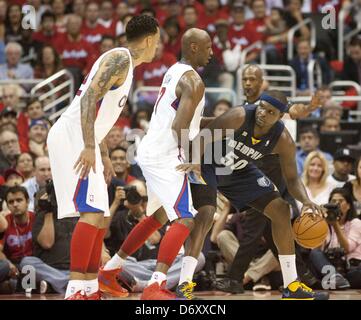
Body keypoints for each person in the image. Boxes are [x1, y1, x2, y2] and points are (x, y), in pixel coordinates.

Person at [47, 15, 160, 300]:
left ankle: (90, 287)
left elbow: (102, 115)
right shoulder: (119, 59)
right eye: (157, 42)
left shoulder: (127, 65)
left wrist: (103, 150)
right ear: (149, 39)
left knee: (100, 216)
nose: (157, 48)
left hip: (88, 139)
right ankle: (75, 290)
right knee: (91, 212)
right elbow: (87, 100)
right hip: (72, 136)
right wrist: (88, 145)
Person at [99, 28, 213, 300]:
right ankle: (155, 286)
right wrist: (192, 159)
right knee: (186, 218)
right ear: (194, 47)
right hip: (166, 154)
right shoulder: (194, 82)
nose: (212, 52)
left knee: (160, 216)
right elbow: (179, 126)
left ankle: (110, 270)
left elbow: (185, 121)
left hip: (150, 148)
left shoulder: (174, 70)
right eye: (208, 47)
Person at [181, 90, 329, 300]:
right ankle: (184, 284)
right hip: (207, 163)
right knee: (206, 212)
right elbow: (204, 136)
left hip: (239, 170)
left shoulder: (283, 139)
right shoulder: (239, 116)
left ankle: (292, 285)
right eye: (261, 107)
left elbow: (293, 179)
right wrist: (196, 161)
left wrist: (305, 201)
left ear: (279, 117)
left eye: (270, 112)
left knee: (281, 209)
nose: (262, 113)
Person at [309, 188, 361, 289]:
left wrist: (335, 224)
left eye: (340, 201)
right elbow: (316, 250)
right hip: (328, 269)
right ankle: (335, 278)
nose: (337, 204)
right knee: (314, 253)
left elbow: (347, 249)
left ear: (349, 205)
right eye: (333, 201)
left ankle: (334, 282)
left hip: (350, 270)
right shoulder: (325, 224)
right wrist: (321, 223)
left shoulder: (356, 223)